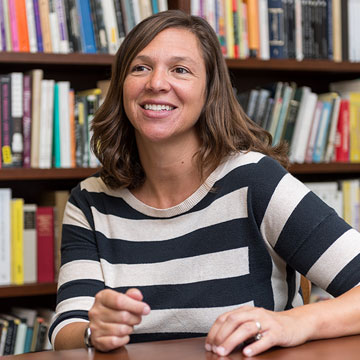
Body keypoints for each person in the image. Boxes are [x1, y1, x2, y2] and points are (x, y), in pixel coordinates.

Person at [49, 10, 360, 358]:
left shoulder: (255, 181)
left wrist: (294, 323)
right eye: (140, 67)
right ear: (121, 85)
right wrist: (95, 330)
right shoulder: (90, 200)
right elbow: (67, 329)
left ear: (210, 90)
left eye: (180, 69)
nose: (156, 83)